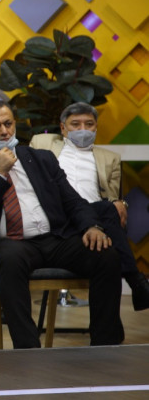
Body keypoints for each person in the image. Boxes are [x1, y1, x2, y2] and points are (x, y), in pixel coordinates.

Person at [0, 99, 124, 348]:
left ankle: (105, 344)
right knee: (9, 260)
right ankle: (28, 349)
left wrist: (92, 227)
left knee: (105, 254)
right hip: (11, 243)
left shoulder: (42, 159)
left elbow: (72, 201)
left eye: (8, 124)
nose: (4, 131)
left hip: (55, 238)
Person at [31, 102, 149, 311]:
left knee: (108, 221)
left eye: (89, 124)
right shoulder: (43, 143)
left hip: (94, 220)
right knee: (107, 211)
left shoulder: (110, 158)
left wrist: (120, 202)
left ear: (96, 128)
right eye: (75, 124)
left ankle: (108, 329)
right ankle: (136, 280)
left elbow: (111, 197)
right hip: (55, 216)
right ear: (63, 128)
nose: (83, 129)